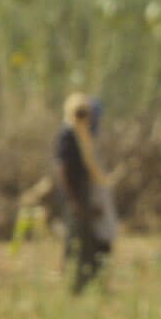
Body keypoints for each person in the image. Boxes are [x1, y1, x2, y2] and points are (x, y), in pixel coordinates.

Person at [54, 92, 116, 293]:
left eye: (85, 113)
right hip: (74, 197)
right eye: (79, 113)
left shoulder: (83, 136)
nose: (83, 118)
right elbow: (63, 171)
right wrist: (74, 201)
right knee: (75, 241)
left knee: (89, 240)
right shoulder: (67, 136)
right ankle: (73, 287)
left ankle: (86, 285)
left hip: (83, 195)